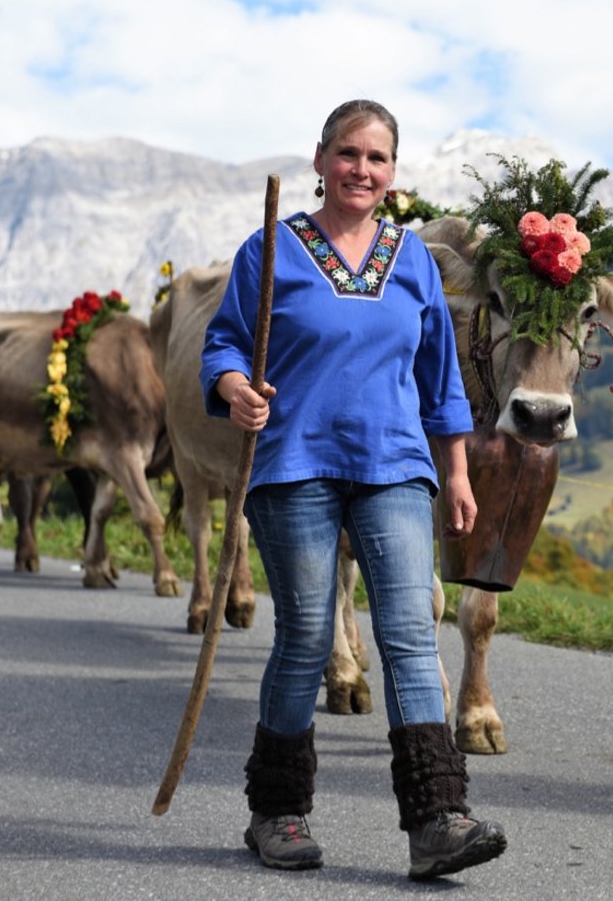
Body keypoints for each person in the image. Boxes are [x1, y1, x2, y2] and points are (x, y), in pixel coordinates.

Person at [200, 99, 507, 879]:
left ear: (393, 174)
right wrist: (235, 386)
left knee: (407, 630)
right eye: (348, 153)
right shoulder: (269, 250)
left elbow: (441, 382)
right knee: (305, 636)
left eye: (376, 158)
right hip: (294, 467)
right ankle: (277, 811)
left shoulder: (411, 261)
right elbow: (226, 343)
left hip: (395, 467)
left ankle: (437, 817)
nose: (361, 170)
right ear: (320, 158)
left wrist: (459, 472)